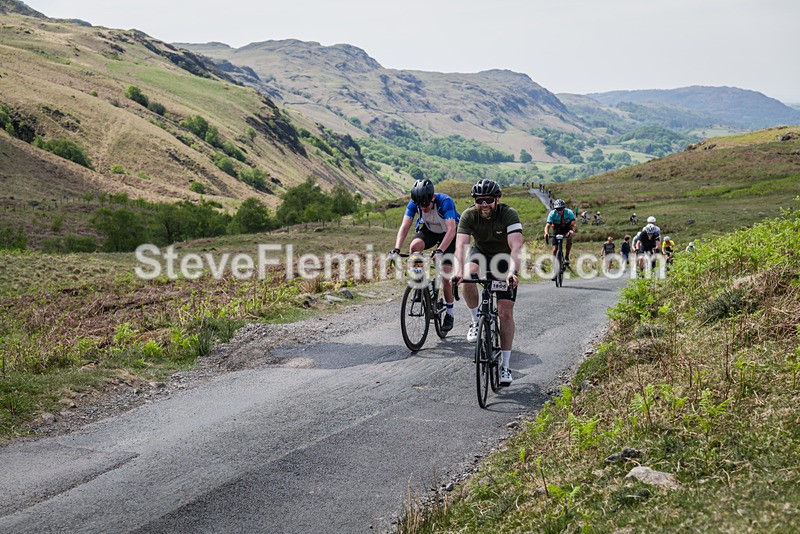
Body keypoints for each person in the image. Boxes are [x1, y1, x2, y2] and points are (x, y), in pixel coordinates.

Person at [453, 179, 522, 386]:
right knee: (467, 275)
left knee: (505, 312)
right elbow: (461, 246)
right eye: (479, 200)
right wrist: (457, 271)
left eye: (488, 200)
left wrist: (512, 272)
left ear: (497, 200)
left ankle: (506, 366)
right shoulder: (468, 215)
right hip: (481, 254)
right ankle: (476, 320)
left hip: (504, 259)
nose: (484, 205)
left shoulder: (509, 214)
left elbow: (516, 247)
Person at [391, 179, 459, 332]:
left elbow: (451, 230)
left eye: (426, 205)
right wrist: (396, 248)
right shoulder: (414, 203)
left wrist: (440, 250)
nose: (424, 208)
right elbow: (405, 226)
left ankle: (449, 313)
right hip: (431, 231)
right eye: (420, 206)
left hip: (449, 235)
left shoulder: (445, 201)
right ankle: (420, 283)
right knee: (414, 247)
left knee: (446, 275)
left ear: (432, 198)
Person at [544, 199, 577, 269]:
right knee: (554, 249)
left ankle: (567, 256)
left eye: (561, 209)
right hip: (557, 229)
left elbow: (573, 224)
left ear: (564, 208)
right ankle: (554, 266)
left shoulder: (569, 212)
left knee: (569, 239)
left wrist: (571, 231)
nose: (560, 211)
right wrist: (546, 233)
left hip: (567, 228)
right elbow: (547, 225)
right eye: (558, 209)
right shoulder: (552, 214)